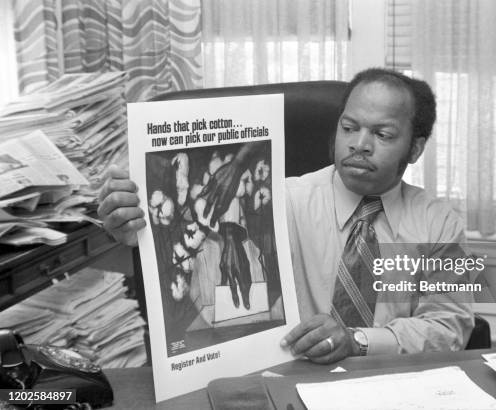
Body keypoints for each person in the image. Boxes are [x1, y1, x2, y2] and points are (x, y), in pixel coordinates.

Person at [97, 68, 474, 365]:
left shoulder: (441, 224)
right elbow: (194, 244)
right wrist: (134, 226)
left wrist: (357, 341)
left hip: (391, 386)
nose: (359, 143)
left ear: (416, 148)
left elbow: (448, 326)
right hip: (288, 380)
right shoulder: (281, 200)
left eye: (382, 134)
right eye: (349, 127)